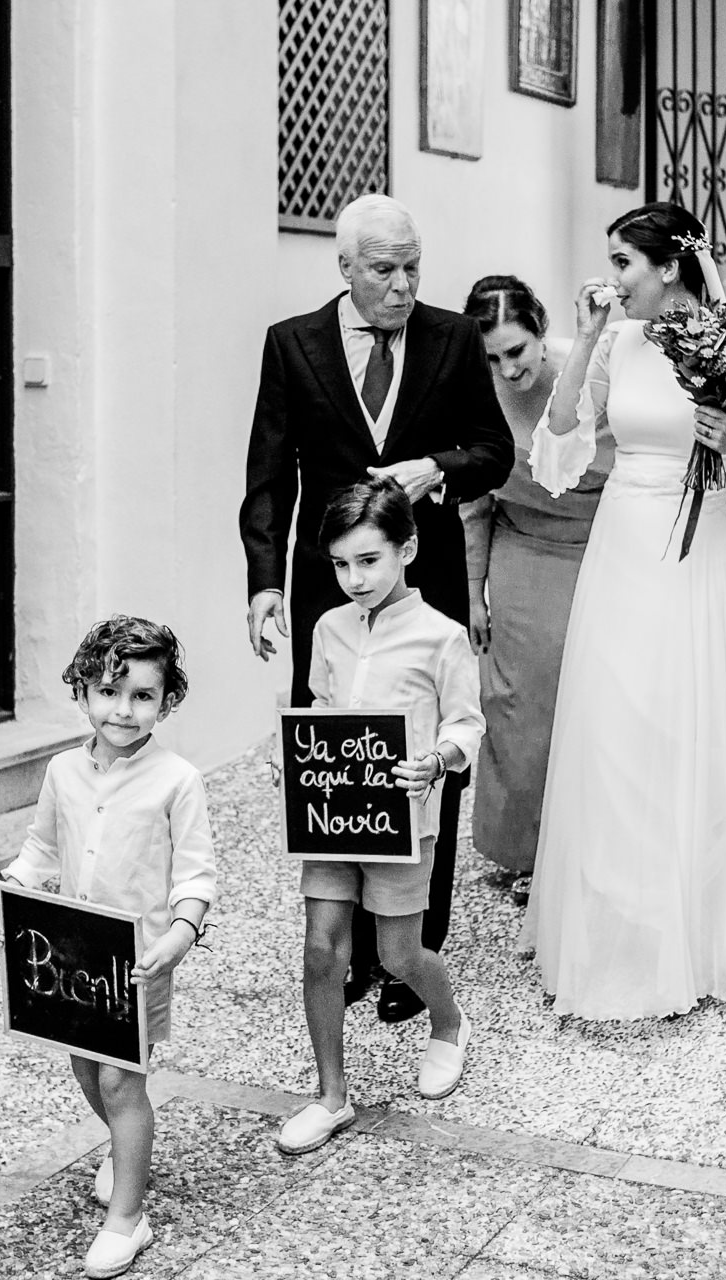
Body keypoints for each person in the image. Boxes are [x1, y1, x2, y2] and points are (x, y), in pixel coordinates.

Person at [522, 202, 726, 1021]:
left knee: (684, 721)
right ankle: (619, 931)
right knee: (617, 724)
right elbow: (558, 441)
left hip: (703, 553)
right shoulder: (617, 343)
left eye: (624, 262)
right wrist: (583, 338)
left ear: (670, 268)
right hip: (624, 539)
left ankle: (696, 932)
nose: (612, 277)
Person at [240, 194, 512, 1024]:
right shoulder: (293, 345)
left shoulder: (453, 338)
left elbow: (495, 452)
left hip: (416, 583)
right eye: (385, 270)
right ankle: (351, 948)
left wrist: (439, 468)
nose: (402, 286)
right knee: (339, 749)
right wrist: (264, 583)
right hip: (328, 588)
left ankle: (410, 951)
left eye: (413, 268)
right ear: (346, 267)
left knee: (422, 752)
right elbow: (269, 475)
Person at [0, 617, 217, 1278]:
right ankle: (125, 1145)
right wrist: (9, 891)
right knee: (88, 1072)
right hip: (72, 959)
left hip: (139, 958)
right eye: (109, 691)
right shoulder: (62, 771)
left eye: (143, 696)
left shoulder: (178, 780)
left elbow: (195, 875)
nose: (124, 709)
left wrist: (179, 936)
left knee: (120, 1078)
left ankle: (129, 1219)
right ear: (82, 691)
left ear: (167, 701)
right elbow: (41, 850)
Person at [277, 479, 483, 1154]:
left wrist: (439, 759)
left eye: (369, 560)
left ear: (407, 549)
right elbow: (316, 704)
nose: (354, 577)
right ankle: (331, 1096)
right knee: (319, 950)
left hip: (403, 818)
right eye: (341, 563)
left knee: (397, 953)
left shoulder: (442, 637)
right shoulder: (328, 628)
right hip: (333, 812)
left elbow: (466, 721)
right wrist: (296, 756)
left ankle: (449, 1023)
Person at [457, 275, 610, 895]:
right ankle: (522, 847)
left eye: (516, 351)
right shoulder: (470, 394)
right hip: (518, 550)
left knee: (586, 698)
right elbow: (473, 506)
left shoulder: (592, 369)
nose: (507, 368)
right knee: (516, 703)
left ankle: (577, 848)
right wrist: (473, 594)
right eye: (491, 357)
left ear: (542, 334)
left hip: (597, 548)